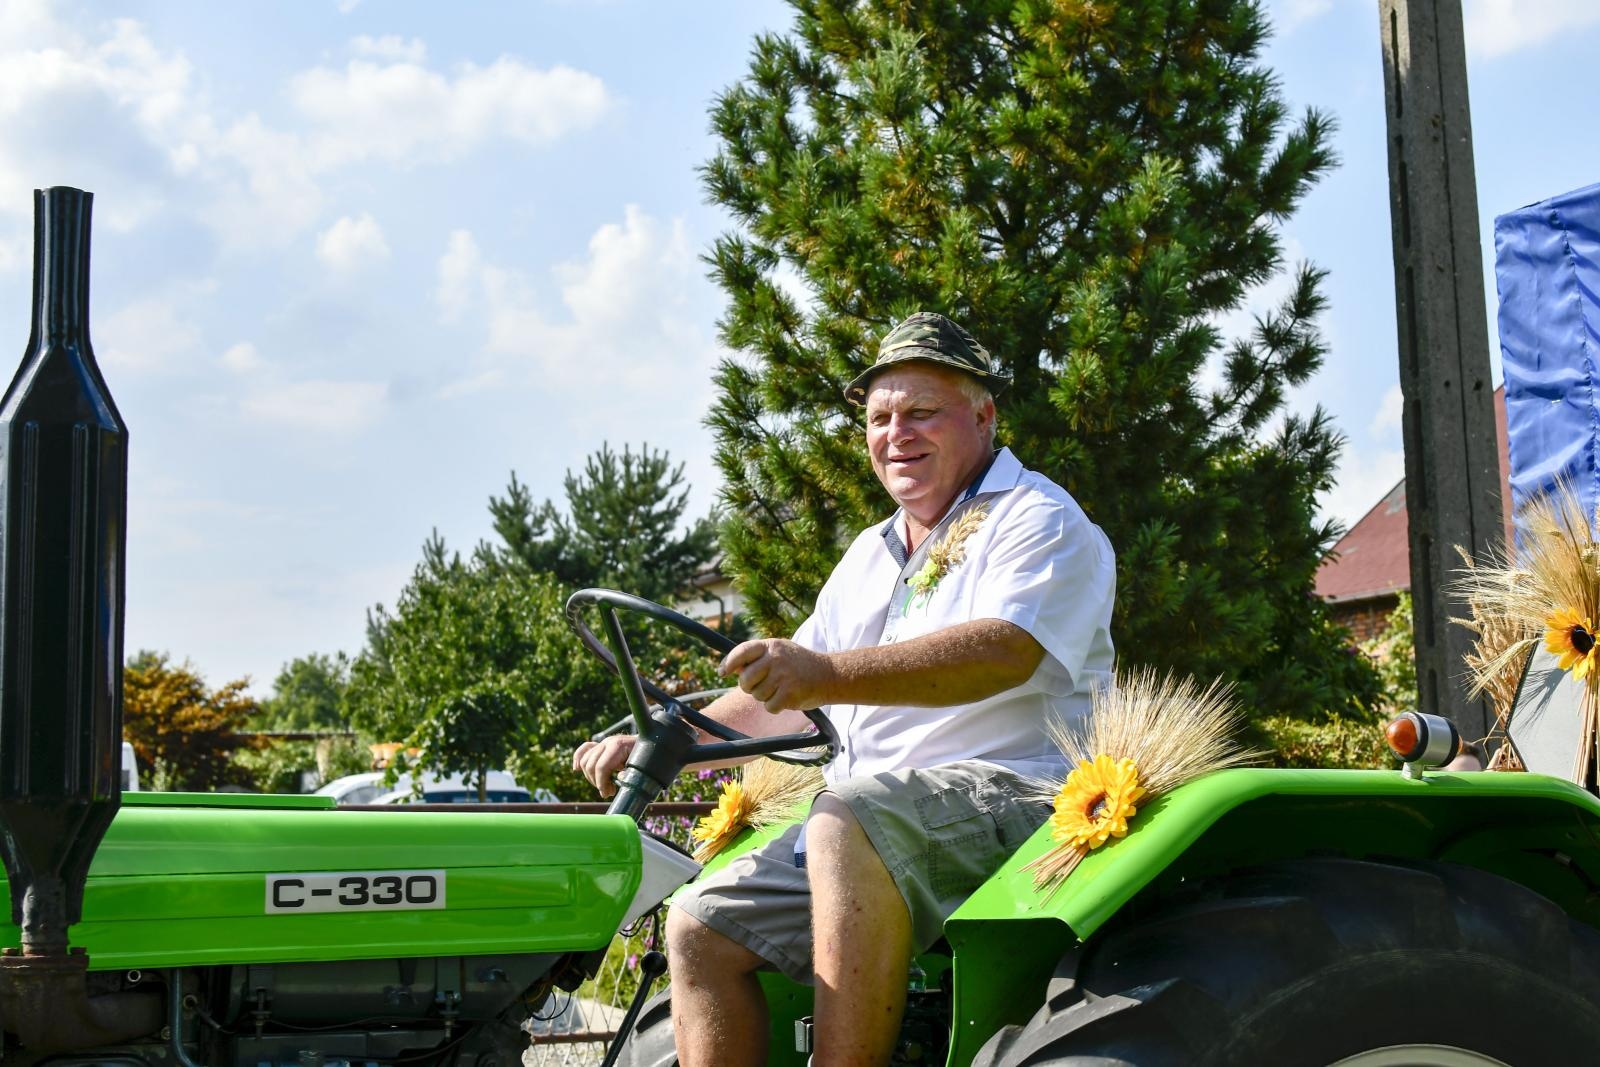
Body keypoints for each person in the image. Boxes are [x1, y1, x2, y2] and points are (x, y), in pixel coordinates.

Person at [573, 311, 1116, 1067]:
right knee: (700, 925)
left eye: (922, 411)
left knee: (841, 815)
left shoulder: (1038, 519)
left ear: (984, 414)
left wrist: (823, 674)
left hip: (1022, 797)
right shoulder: (870, 552)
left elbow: (1006, 650)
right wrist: (665, 740)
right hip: (872, 819)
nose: (898, 433)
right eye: (880, 417)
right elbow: (781, 689)